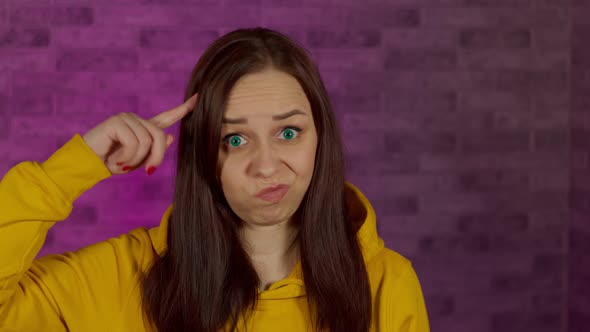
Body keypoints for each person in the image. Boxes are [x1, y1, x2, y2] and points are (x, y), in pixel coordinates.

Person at [0, 27, 430, 332]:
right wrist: (72, 168)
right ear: (203, 152)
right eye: (236, 138)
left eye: (288, 132)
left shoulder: (386, 283)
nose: (266, 166)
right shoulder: (117, 277)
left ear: (321, 137)